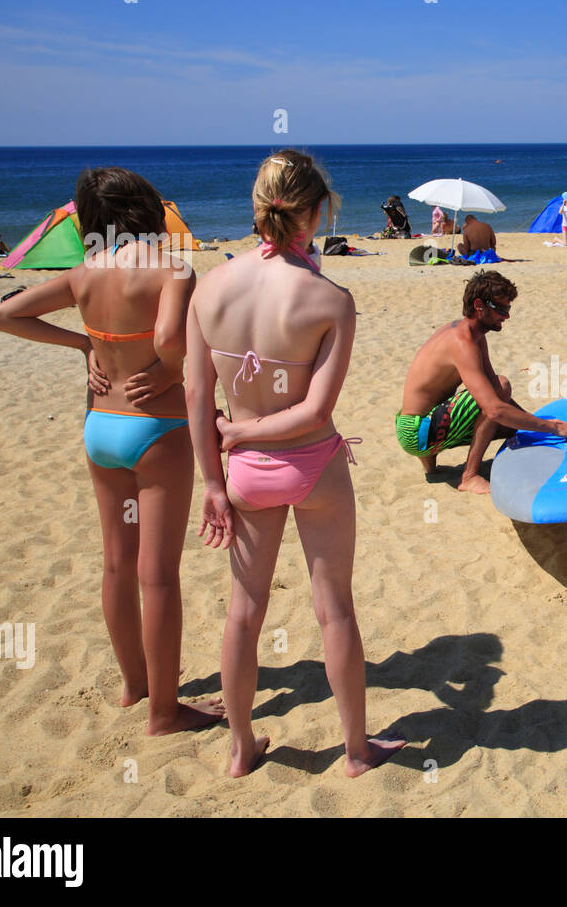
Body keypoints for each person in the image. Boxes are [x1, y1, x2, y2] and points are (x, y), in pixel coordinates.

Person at [187, 149, 404, 777]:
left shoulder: (211, 287)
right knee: (334, 608)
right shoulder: (331, 299)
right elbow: (313, 412)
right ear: (315, 213)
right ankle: (357, 752)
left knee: (243, 609)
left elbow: (199, 398)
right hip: (312, 465)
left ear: (258, 209)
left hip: (243, 468)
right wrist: (247, 434)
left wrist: (214, 474)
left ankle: (240, 748)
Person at [0, 167, 222, 735]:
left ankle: (135, 684)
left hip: (101, 430)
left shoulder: (83, 273)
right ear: (145, 209)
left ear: (89, 219)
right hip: (156, 433)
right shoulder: (173, 270)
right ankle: (165, 713)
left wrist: (84, 345)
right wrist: (169, 373)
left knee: (116, 563)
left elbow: (5, 315)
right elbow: (169, 338)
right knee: (158, 574)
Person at [396, 270, 567, 493]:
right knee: (502, 393)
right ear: (479, 305)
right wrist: (554, 428)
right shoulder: (462, 343)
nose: (506, 316)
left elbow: (493, 392)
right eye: (501, 309)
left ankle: (431, 467)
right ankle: (469, 476)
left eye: (508, 309)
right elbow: (494, 409)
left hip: (414, 424)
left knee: (510, 417)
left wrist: (534, 424)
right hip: (417, 433)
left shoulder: (472, 334)